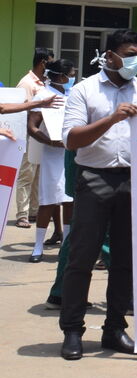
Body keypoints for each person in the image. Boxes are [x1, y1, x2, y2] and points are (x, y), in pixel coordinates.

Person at [59, 28, 137, 360]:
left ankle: (114, 329)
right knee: (82, 258)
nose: (135, 61)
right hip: (94, 178)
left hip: (134, 180)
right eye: (129, 55)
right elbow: (71, 140)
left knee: (125, 260)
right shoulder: (85, 90)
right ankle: (73, 330)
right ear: (110, 56)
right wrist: (112, 118)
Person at [26, 59, 75, 261]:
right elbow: (32, 127)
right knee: (48, 200)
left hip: (71, 153)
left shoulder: (73, 95)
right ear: (62, 76)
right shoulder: (43, 95)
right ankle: (38, 246)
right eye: (71, 74)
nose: (73, 78)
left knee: (69, 200)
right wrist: (50, 141)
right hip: (52, 154)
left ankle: (67, 244)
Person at [14, 47, 53, 229]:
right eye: (50, 62)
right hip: (28, 135)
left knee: (37, 175)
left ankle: (34, 211)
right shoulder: (27, 83)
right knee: (26, 175)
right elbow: (21, 110)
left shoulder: (44, 83)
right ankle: (22, 214)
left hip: (41, 134)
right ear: (43, 62)